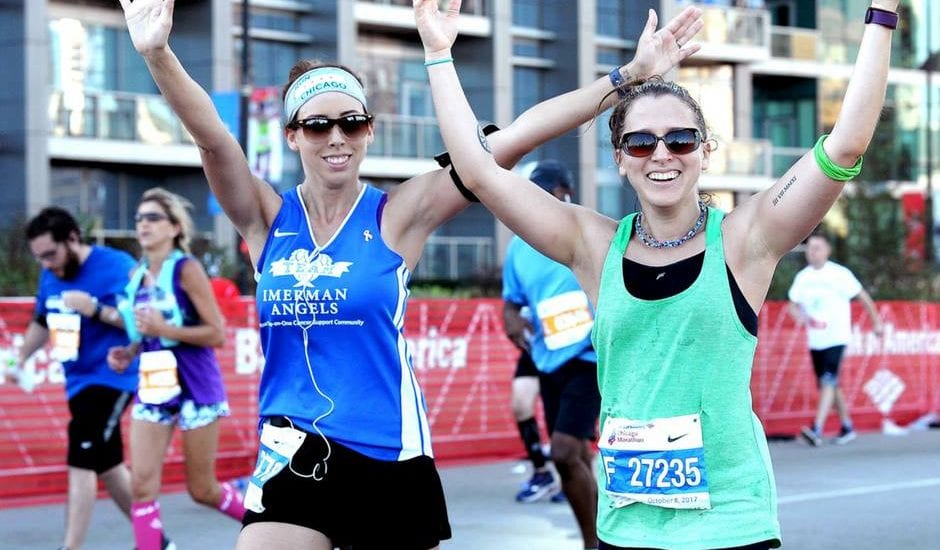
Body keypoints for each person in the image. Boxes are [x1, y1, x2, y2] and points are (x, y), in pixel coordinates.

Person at [120, 0, 702, 547]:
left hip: (389, 457)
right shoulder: (267, 218)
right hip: (293, 452)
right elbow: (213, 139)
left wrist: (629, 76)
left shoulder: (398, 214)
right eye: (318, 126)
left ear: (369, 130)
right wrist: (157, 53)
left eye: (351, 122)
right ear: (292, 134)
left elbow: (517, 137)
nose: (336, 138)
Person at [415, 0, 896, 548]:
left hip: (729, 527)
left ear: (705, 152)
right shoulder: (593, 246)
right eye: (641, 142)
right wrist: (438, 53)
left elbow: (846, 144)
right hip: (627, 527)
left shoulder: (747, 239)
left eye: (681, 139)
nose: (661, 154)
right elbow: (477, 171)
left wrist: (881, 13)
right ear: (620, 158)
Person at [106, 188, 243, 550]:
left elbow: (217, 334)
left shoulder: (187, 269)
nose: (143, 224)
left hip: (196, 386)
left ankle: (278, 528)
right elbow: (145, 333)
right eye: (139, 218)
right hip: (154, 386)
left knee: (203, 490)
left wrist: (164, 329)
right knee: (141, 486)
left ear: (174, 227)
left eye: (153, 218)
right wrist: (128, 351)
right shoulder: (137, 275)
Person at [11, 207, 139, 550]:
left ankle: (70, 547)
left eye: (50, 254)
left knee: (82, 448)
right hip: (77, 381)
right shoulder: (50, 274)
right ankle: (156, 540)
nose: (46, 264)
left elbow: (143, 321)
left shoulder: (117, 266)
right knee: (109, 466)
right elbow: (42, 320)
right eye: (39, 258)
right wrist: (20, 359)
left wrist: (94, 308)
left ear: (72, 238)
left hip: (114, 376)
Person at [502, 159, 601, 547]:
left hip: (590, 357)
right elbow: (512, 301)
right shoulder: (518, 247)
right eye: (534, 192)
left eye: (548, 192)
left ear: (566, 193)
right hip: (548, 359)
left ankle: (593, 543)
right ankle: (599, 537)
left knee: (562, 451)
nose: (540, 199)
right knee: (577, 454)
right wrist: (511, 320)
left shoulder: (586, 233)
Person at [788, 233, 884, 446]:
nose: (812, 252)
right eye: (809, 248)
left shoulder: (839, 274)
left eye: (817, 248)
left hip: (836, 337)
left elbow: (863, 297)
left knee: (828, 380)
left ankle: (816, 429)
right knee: (830, 385)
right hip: (816, 340)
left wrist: (877, 323)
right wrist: (801, 318)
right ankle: (847, 426)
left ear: (827, 251)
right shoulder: (803, 277)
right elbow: (792, 305)